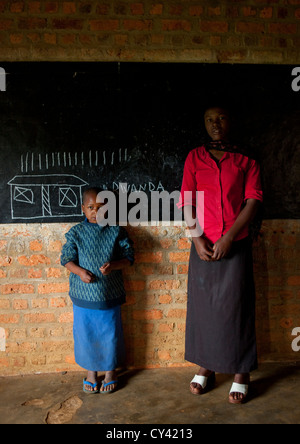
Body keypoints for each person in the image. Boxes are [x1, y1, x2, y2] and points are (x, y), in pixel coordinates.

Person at [177, 105, 263, 404]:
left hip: (235, 243)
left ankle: (241, 372)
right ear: (204, 124)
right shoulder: (195, 157)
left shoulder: (246, 158)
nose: (216, 124)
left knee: (236, 308)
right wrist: (197, 238)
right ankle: (206, 365)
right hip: (202, 245)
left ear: (231, 121)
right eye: (210, 120)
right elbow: (186, 200)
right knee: (204, 309)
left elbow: (252, 200)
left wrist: (229, 238)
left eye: (222, 118)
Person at [61, 188, 134, 394]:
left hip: (109, 294)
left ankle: (111, 372)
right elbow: (66, 259)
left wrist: (113, 265)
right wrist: (80, 272)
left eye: (101, 207)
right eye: (91, 207)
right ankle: (91, 373)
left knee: (110, 333)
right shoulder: (76, 232)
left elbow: (129, 257)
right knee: (86, 334)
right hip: (83, 295)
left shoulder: (116, 231)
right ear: (83, 208)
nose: (95, 211)